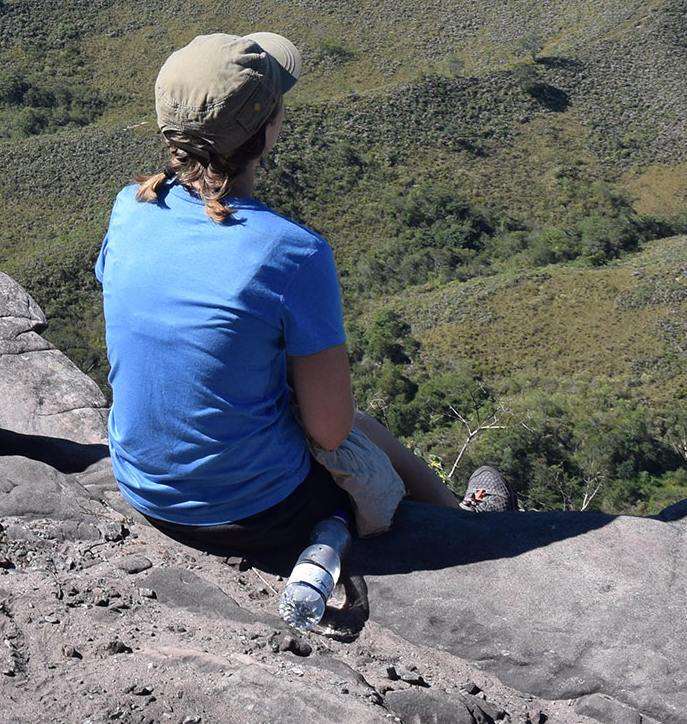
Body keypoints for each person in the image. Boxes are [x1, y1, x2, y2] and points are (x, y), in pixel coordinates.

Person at [96, 31, 465, 561]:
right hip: (254, 514)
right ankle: (464, 527)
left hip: (142, 488)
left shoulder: (130, 207)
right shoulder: (295, 253)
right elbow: (330, 430)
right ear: (267, 135)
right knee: (362, 428)